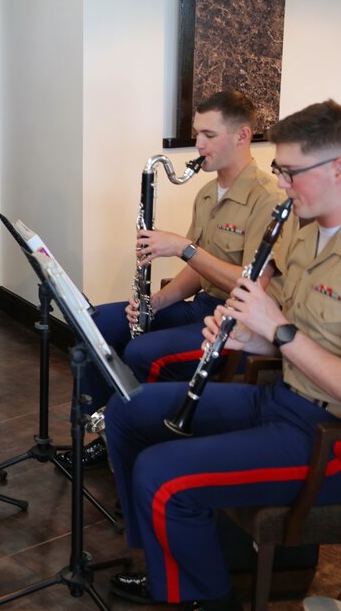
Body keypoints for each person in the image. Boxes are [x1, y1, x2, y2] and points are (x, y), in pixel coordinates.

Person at [102, 100, 341, 611]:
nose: (280, 184)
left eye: (291, 172)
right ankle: (169, 570)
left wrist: (276, 329)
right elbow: (295, 340)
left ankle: (216, 604)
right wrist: (247, 339)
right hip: (283, 398)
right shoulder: (308, 231)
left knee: (161, 473)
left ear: (340, 169)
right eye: (279, 170)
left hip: (338, 442)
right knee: (128, 413)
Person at [60, 91, 287, 470]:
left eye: (209, 135)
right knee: (98, 325)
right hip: (202, 307)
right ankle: (104, 430)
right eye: (197, 133)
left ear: (243, 136)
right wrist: (157, 302)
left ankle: (146, 451)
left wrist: (184, 248)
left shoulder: (267, 199)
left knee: (141, 353)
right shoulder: (206, 193)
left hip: (240, 322)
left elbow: (251, 286)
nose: (198, 144)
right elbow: (198, 273)